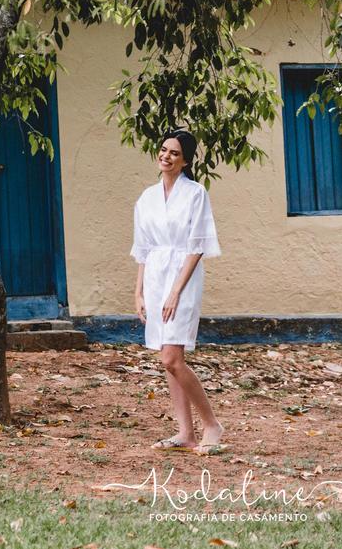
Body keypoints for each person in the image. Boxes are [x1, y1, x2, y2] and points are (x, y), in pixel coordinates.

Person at [131, 129, 226, 455]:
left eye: (174, 152)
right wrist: (139, 292)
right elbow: (142, 249)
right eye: (163, 150)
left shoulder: (196, 193)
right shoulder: (146, 198)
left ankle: (211, 424)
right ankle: (185, 432)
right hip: (156, 278)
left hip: (182, 279)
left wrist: (175, 292)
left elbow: (197, 246)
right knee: (168, 360)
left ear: (185, 160)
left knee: (172, 357)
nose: (166, 156)